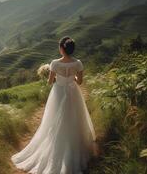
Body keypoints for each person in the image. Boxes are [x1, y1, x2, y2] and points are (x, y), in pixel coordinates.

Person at [11, 36, 96, 174]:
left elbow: (50, 82)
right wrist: (72, 77)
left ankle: (56, 147)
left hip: (58, 92)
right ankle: (74, 148)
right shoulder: (78, 64)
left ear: (62, 49)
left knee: (54, 119)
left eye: (59, 46)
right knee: (74, 119)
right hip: (73, 93)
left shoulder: (55, 63)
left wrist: (55, 76)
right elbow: (79, 82)